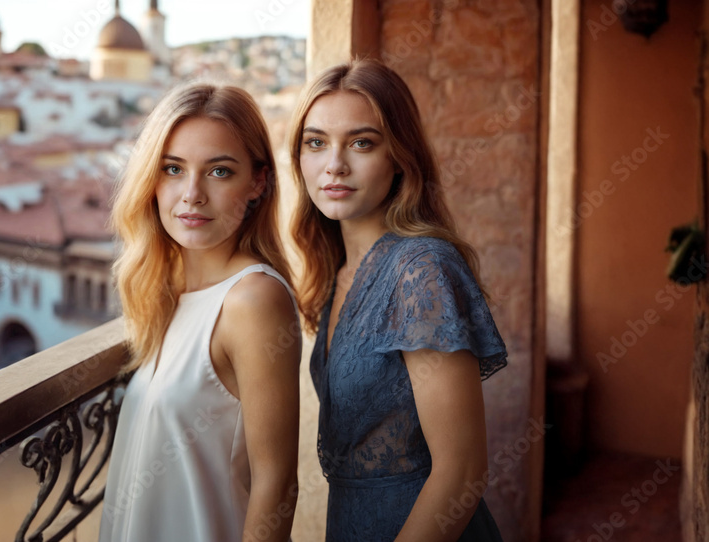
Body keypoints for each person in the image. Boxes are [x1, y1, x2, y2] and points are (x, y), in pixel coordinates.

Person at [289, 58, 508, 541]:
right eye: (316, 142)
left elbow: (463, 472)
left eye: (362, 142)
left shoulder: (420, 270)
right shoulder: (337, 271)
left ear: (399, 155)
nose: (335, 165)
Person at [100, 82, 301, 542]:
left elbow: (277, 485)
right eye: (173, 168)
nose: (191, 193)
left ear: (258, 182)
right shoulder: (168, 295)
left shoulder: (253, 300)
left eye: (219, 172)